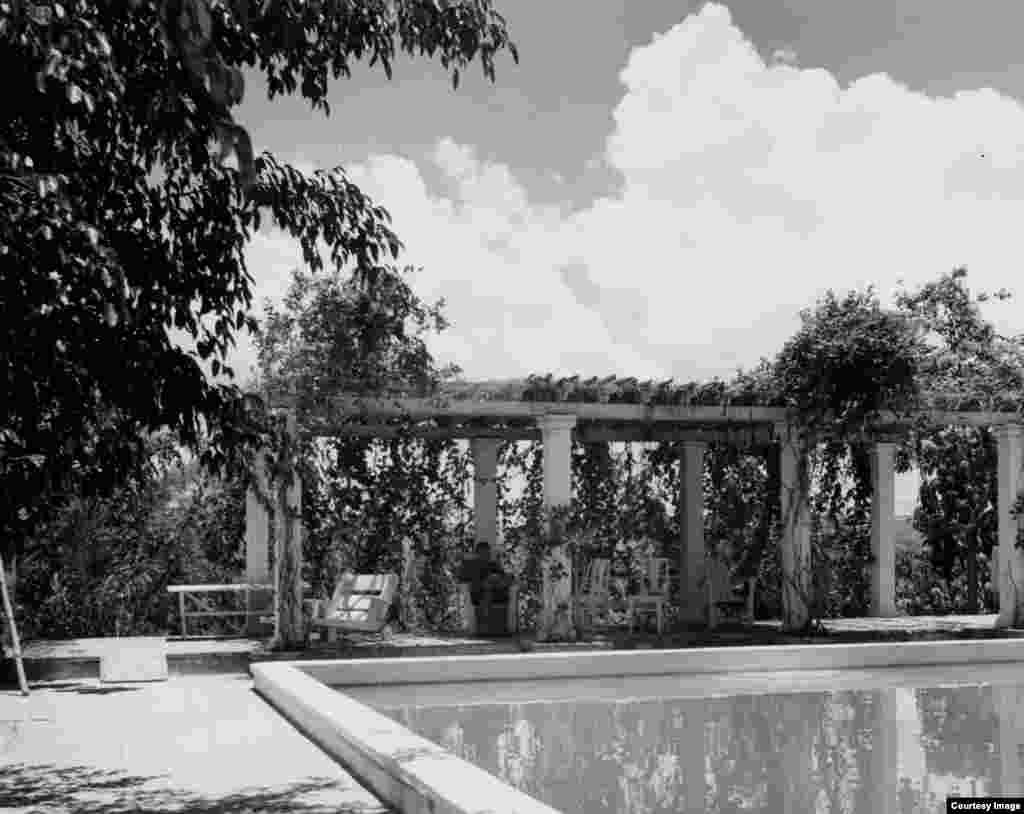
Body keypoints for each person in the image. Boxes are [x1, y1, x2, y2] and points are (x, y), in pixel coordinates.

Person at [457, 541, 514, 610]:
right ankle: (485, 612)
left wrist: (501, 578)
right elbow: (461, 578)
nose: (487, 555)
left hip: (496, 592)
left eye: (488, 553)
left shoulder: (493, 565)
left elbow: (504, 576)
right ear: (477, 553)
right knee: (488, 585)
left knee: (497, 581)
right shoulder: (470, 566)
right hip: (479, 593)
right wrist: (484, 582)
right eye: (483, 553)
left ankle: (489, 611)